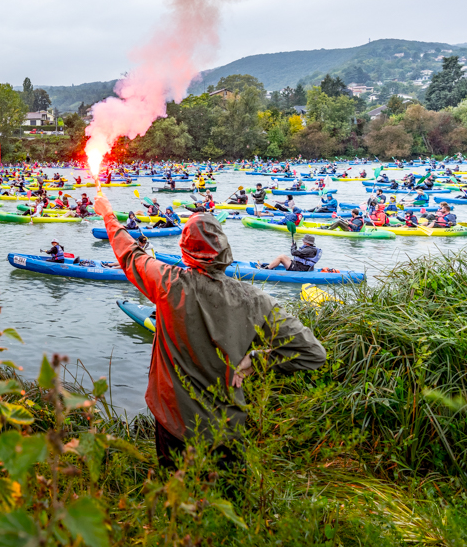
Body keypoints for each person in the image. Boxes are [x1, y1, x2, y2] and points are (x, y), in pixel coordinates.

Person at [92, 196, 326, 474]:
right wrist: (258, 360)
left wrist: (108, 214)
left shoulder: (168, 283)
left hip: (174, 423)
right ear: (226, 251)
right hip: (227, 430)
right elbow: (313, 353)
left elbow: (130, 254)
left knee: (177, 495)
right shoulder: (257, 300)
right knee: (226, 497)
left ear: (184, 252)